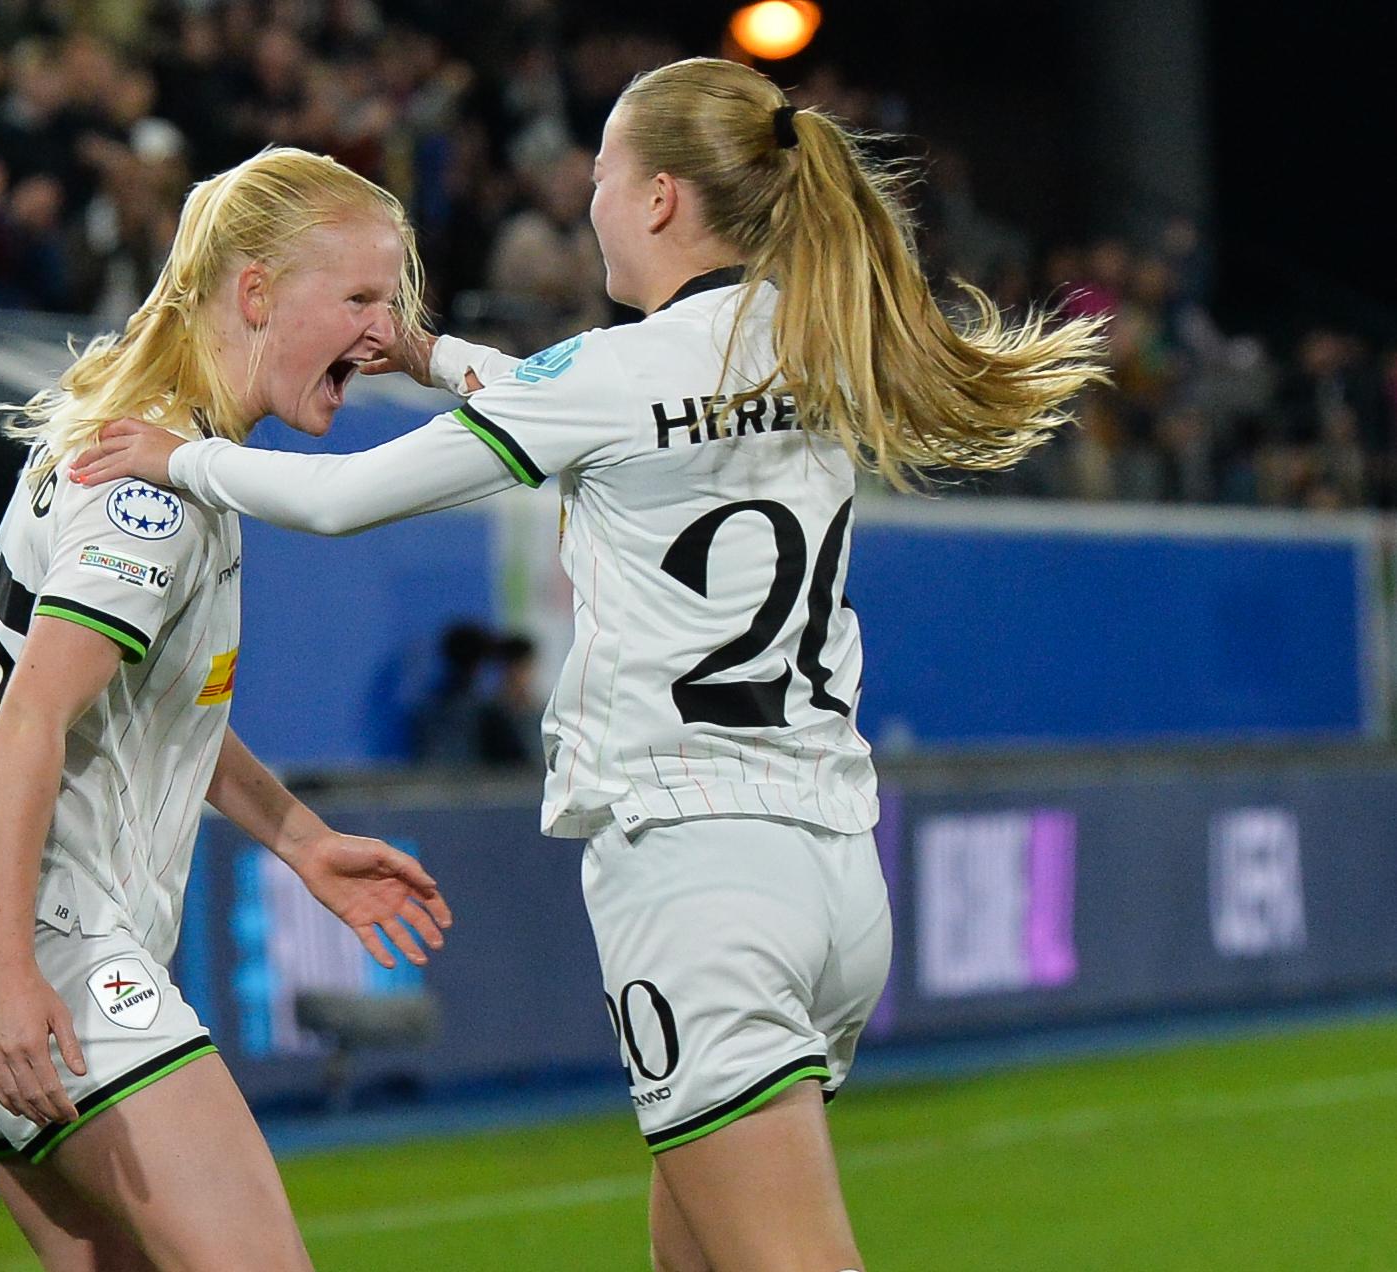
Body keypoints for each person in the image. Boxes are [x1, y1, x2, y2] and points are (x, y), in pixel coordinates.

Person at [69, 57, 1109, 1272]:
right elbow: (586, 415)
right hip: (831, 877)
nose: (591, 199)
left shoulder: (619, 374)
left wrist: (176, 459)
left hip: (699, 878)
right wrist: (432, 354)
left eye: (606, 174)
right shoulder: (813, 340)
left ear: (661, 198)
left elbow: (349, 495)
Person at [0, 146, 452, 1271]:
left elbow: (147, 704)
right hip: (32, 924)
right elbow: (31, 718)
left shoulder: (163, 443)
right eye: (360, 298)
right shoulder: (152, 490)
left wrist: (301, 838)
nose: (383, 333)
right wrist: (8, 969)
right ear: (253, 293)